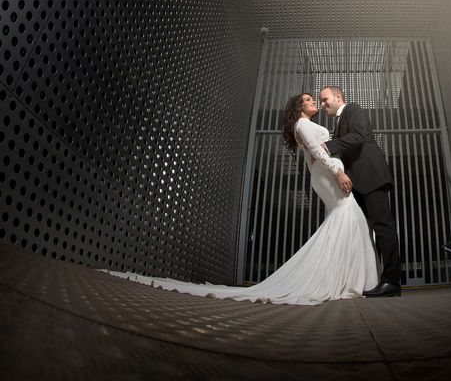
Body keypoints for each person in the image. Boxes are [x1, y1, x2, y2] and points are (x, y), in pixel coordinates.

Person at [101, 93, 378, 305]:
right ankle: (344, 280)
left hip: (324, 175)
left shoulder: (305, 124)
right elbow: (318, 153)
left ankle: (341, 278)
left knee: (344, 217)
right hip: (326, 173)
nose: (313, 101)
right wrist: (338, 173)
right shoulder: (303, 124)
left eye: (315, 98)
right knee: (347, 213)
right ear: (298, 108)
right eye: (308, 99)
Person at [319, 86, 402, 297]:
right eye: (320, 101)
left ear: (338, 97)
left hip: (372, 176)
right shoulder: (337, 124)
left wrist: (328, 146)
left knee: (383, 227)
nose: (322, 105)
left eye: (325, 99)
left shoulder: (353, 109)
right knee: (363, 232)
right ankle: (369, 279)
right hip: (357, 183)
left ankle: (392, 282)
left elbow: (359, 135)